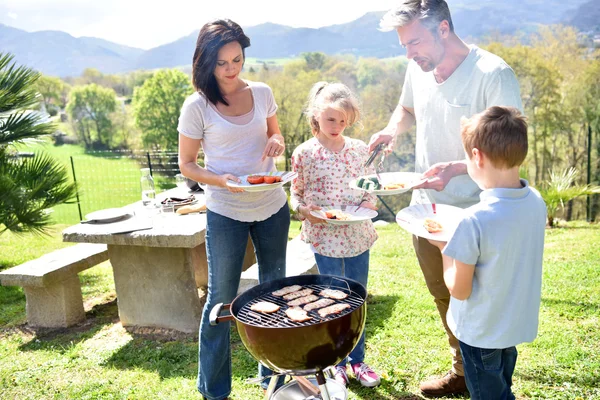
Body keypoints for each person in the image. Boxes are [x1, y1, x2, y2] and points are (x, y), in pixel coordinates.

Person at [368, 1, 523, 396]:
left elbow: (506, 147)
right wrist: (391, 129)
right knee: (443, 293)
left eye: (414, 42)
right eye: (404, 45)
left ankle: (493, 381)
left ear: (443, 29)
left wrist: (455, 168)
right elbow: (405, 108)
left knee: (485, 302)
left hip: (480, 212)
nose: (409, 53)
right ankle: (462, 371)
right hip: (427, 212)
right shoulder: (417, 68)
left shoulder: (493, 74)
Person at [177, 19, 289, 400]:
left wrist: (276, 141)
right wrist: (223, 181)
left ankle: (271, 379)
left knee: (273, 292)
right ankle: (214, 391)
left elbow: (277, 135)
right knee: (221, 301)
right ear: (206, 62)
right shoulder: (197, 106)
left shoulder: (262, 91)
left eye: (237, 59)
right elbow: (188, 165)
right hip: (226, 210)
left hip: (272, 204)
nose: (230, 69)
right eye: (222, 62)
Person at [427, 106, 546, 399]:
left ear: (477, 156)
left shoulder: (474, 220)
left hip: (481, 334)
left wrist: (444, 248)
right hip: (513, 325)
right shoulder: (536, 202)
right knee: (501, 385)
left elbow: (460, 289)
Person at [290, 81, 380, 389]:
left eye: (343, 121)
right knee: (332, 299)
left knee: (357, 297)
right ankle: (336, 364)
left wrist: (369, 202)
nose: (337, 126)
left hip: (357, 235)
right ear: (316, 115)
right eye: (331, 120)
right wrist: (305, 209)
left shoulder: (358, 149)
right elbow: (296, 196)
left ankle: (358, 360)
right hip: (325, 238)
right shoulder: (305, 153)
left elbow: (371, 189)